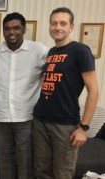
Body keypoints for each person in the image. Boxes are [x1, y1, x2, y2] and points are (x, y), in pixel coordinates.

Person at [33, 7, 99, 178]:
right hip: (40, 120)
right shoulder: (51, 52)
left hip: (64, 125)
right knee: (41, 171)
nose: (58, 27)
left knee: (62, 173)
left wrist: (83, 128)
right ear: (49, 27)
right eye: (54, 23)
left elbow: (94, 91)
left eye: (63, 23)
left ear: (71, 27)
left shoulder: (80, 50)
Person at [0, 12, 48, 179]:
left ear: (24, 29)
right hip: (0, 118)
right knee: (4, 163)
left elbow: (55, 74)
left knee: (25, 163)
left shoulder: (39, 50)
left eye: (16, 28)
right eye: (7, 29)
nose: (11, 32)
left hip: (26, 117)